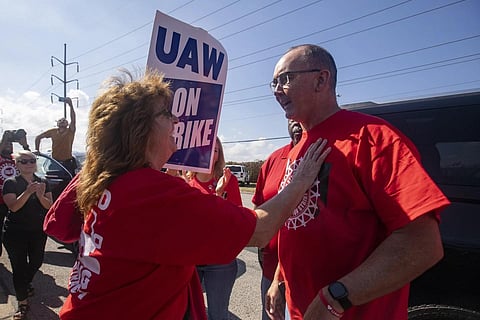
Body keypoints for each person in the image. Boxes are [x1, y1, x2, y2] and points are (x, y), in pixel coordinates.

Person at [42, 69, 331, 320]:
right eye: (167, 113)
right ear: (139, 129)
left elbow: (56, 224)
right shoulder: (150, 191)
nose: (177, 121)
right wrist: (301, 180)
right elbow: (261, 230)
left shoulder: (108, 178)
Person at [264, 44, 451, 320]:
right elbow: (296, 224)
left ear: (321, 79)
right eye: (273, 83)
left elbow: (422, 242)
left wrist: (335, 298)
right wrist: (279, 278)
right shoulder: (297, 147)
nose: (277, 90)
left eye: (286, 79)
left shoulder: (375, 139)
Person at [253, 119, 302, 320]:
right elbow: (258, 207)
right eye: (291, 116)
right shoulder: (274, 159)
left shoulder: (327, 153)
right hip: (270, 269)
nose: (296, 121)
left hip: (312, 278)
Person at [188, 136, 242, 320]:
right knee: (189, 311)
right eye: (207, 148)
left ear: (219, 156)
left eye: (216, 150)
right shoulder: (187, 182)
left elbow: (236, 221)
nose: (212, 154)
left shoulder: (228, 181)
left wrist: (219, 195)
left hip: (220, 261)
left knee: (217, 314)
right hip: (191, 259)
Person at [2, 150, 53, 319]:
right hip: (15, 233)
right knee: (19, 267)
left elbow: (49, 206)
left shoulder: (43, 181)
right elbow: (14, 207)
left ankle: (24, 284)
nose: (29, 163)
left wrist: (39, 194)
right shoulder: (11, 182)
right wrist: (28, 192)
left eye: (32, 160)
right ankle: (22, 303)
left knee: (37, 261)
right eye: (24, 161)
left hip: (37, 232)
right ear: (17, 164)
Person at [0, 131, 30, 257]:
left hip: (16, 199)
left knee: (19, 227)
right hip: (0, 200)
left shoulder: (16, 159)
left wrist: (24, 145)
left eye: (10, 144)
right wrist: (4, 138)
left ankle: (20, 254)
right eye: (6, 144)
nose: (8, 146)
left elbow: (30, 160)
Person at [35, 96, 77, 175]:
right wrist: (37, 150)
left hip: (67, 163)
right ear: (57, 123)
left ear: (67, 124)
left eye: (64, 120)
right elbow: (38, 137)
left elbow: (73, 118)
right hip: (54, 162)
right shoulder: (52, 132)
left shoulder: (70, 131)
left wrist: (70, 105)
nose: (62, 121)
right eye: (60, 120)